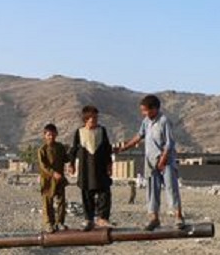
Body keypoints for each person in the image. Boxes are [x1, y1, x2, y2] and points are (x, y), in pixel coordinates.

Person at [115, 95, 185, 231]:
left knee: (171, 188)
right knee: (152, 189)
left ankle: (178, 216)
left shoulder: (164, 121)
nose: (143, 113)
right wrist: (124, 147)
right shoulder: (146, 121)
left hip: (165, 161)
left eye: (145, 110)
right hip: (150, 160)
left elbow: (169, 143)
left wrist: (163, 161)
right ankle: (154, 218)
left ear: (154, 109)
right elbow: (138, 136)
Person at [68, 106, 113, 230]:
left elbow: (107, 149)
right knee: (87, 194)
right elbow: (74, 149)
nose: (94, 120)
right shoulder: (79, 132)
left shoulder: (102, 131)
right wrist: (71, 164)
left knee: (105, 193)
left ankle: (102, 218)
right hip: (86, 169)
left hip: (101, 167)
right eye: (92, 118)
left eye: (96, 117)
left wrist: (109, 164)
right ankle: (88, 219)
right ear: (86, 119)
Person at [38, 123, 69, 233]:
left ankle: (59, 222)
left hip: (59, 179)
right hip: (47, 180)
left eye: (53, 134)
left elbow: (66, 159)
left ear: (56, 134)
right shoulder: (42, 150)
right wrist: (53, 173)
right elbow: (43, 166)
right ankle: (49, 224)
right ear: (45, 135)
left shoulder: (60, 147)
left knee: (61, 202)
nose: (51, 137)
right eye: (48, 135)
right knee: (47, 202)